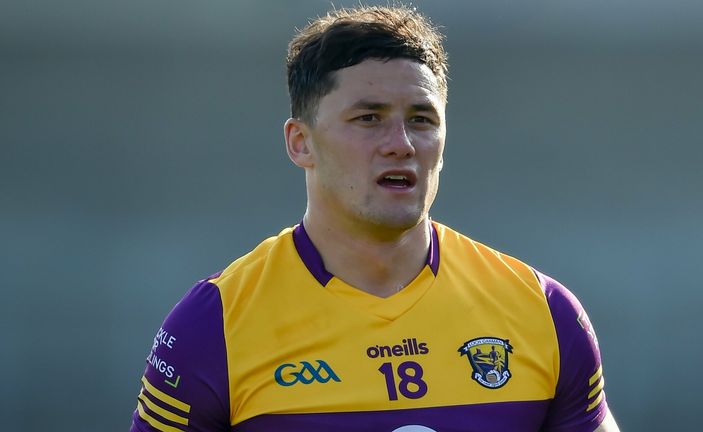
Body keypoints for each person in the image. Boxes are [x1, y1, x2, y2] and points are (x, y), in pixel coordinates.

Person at [130, 5, 620, 431]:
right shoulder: (214, 324)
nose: (401, 144)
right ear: (300, 142)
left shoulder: (542, 312)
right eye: (369, 118)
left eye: (422, 120)